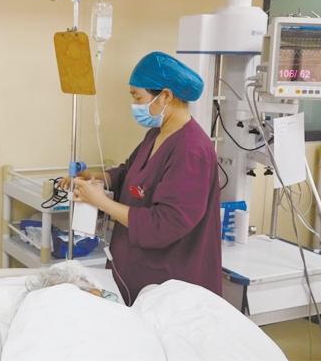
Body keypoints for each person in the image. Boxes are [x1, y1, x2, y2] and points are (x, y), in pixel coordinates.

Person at [68, 51, 221, 305]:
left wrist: (101, 202)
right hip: (136, 269)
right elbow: (131, 175)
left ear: (166, 96)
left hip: (171, 283)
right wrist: (94, 178)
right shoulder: (156, 135)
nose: (134, 105)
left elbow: (165, 224)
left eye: (138, 97)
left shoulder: (191, 151)